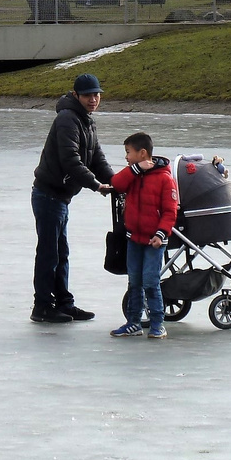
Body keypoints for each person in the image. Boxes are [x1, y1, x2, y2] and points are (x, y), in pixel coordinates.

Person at [29, 73, 115, 323]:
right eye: (88, 95)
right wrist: (96, 185)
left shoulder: (86, 120)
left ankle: (64, 303)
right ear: (76, 95)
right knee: (49, 253)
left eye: (97, 95)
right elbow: (70, 161)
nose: (94, 99)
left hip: (62, 197)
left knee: (61, 252)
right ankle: (42, 306)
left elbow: (96, 158)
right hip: (48, 195)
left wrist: (119, 182)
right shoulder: (67, 119)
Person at [108, 132, 179, 339]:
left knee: (150, 281)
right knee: (134, 281)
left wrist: (160, 233)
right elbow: (117, 183)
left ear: (142, 153)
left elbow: (170, 211)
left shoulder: (165, 179)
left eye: (128, 153)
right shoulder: (133, 173)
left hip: (154, 241)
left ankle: (157, 323)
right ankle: (133, 322)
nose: (126, 157)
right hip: (134, 238)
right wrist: (135, 169)